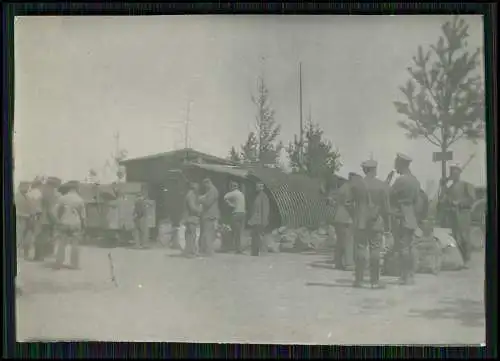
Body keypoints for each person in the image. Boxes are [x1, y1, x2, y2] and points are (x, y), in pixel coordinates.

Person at [351, 160, 391, 289]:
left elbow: (349, 202)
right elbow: (386, 207)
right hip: (376, 221)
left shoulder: (357, 184)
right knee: (375, 250)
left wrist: (356, 215)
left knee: (360, 249)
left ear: (364, 170)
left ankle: (359, 280)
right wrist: (387, 223)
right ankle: (374, 281)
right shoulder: (381, 185)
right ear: (374, 170)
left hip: (361, 221)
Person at [390, 153, 421, 285]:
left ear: (402, 164)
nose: (395, 165)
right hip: (411, 215)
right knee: (410, 246)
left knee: (402, 247)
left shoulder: (400, 180)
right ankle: (411, 275)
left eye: (396, 163)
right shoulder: (415, 180)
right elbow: (416, 200)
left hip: (400, 215)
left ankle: (404, 276)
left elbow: (390, 195)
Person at [445, 163, 476, 269]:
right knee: (456, 238)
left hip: (464, 214)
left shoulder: (466, 185)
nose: (454, 174)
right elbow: (445, 200)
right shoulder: (450, 188)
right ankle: (461, 260)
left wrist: (459, 202)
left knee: (464, 237)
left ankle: (467, 260)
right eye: (452, 172)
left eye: (456, 172)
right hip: (453, 215)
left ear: (459, 173)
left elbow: (471, 199)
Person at [54, 181, 86, 270]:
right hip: (75, 223)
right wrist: (84, 226)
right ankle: (74, 265)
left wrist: (58, 221)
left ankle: (58, 263)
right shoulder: (80, 199)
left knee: (62, 244)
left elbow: (56, 212)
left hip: (64, 223)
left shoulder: (62, 198)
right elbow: (83, 216)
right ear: (76, 189)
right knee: (75, 244)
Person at [329, 174, 355, 271]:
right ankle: (349, 263)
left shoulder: (340, 189)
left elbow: (331, 201)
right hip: (346, 218)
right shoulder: (348, 188)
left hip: (338, 217)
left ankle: (338, 262)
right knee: (348, 241)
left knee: (340, 241)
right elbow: (348, 204)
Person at [38, 176, 62, 261]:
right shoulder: (52, 193)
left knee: (42, 236)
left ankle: (43, 254)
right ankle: (42, 255)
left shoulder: (42, 190)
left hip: (40, 217)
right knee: (46, 236)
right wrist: (56, 221)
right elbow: (50, 210)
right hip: (48, 218)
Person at [247, 182, 270, 257]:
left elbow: (265, 209)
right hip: (255, 219)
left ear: (262, 187)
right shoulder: (257, 196)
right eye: (256, 186)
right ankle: (254, 252)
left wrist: (264, 221)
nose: (257, 188)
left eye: (259, 187)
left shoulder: (263, 196)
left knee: (257, 236)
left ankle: (259, 251)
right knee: (254, 236)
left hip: (260, 220)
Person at [198, 178, 220, 256]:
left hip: (210, 215)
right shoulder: (210, 190)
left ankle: (208, 251)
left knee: (208, 233)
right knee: (207, 233)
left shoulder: (212, 190)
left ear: (208, 183)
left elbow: (208, 202)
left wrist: (200, 200)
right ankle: (206, 250)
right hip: (209, 214)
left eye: (205, 185)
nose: (205, 187)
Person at [223, 181, 246, 254]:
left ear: (232, 187)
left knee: (233, 231)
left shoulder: (233, 193)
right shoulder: (241, 193)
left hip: (236, 213)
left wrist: (229, 203)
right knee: (239, 232)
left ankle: (232, 247)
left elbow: (225, 197)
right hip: (242, 213)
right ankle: (238, 248)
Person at [25, 177, 44, 261]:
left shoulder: (28, 193)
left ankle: (26, 253)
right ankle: (37, 256)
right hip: (36, 215)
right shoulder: (38, 193)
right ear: (38, 185)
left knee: (29, 233)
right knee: (37, 235)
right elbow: (37, 205)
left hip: (29, 215)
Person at [183, 181, 202, 257]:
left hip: (190, 218)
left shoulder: (191, 194)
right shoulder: (191, 195)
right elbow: (192, 207)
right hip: (191, 218)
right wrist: (200, 209)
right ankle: (190, 252)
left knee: (191, 235)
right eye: (197, 185)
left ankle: (191, 251)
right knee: (191, 235)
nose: (198, 187)